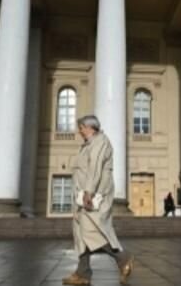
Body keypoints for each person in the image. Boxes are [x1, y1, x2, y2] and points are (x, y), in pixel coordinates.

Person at [63, 115, 134, 286]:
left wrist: (89, 191)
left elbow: (95, 167)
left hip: (94, 194)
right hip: (83, 196)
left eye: (81, 127)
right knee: (81, 233)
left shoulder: (100, 141)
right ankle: (82, 273)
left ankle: (122, 258)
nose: (80, 131)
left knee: (93, 230)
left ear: (90, 127)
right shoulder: (88, 144)